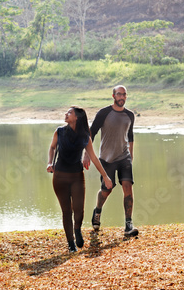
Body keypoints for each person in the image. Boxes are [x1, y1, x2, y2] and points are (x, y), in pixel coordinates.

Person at [47, 107, 113, 252]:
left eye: (69, 113)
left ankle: (77, 229)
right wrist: (50, 162)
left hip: (77, 177)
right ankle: (71, 243)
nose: (66, 114)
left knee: (79, 210)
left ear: (76, 117)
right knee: (66, 211)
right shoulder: (59, 132)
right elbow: (52, 148)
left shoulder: (85, 137)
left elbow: (94, 158)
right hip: (59, 177)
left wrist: (105, 176)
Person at [85, 84, 139, 237]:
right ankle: (98, 211)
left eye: (124, 94)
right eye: (119, 94)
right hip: (107, 159)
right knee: (106, 190)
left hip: (124, 157)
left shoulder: (130, 115)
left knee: (128, 186)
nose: (122, 97)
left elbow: (131, 136)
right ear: (113, 96)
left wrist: (131, 155)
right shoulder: (104, 113)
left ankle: (129, 224)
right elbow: (91, 132)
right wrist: (86, 154)